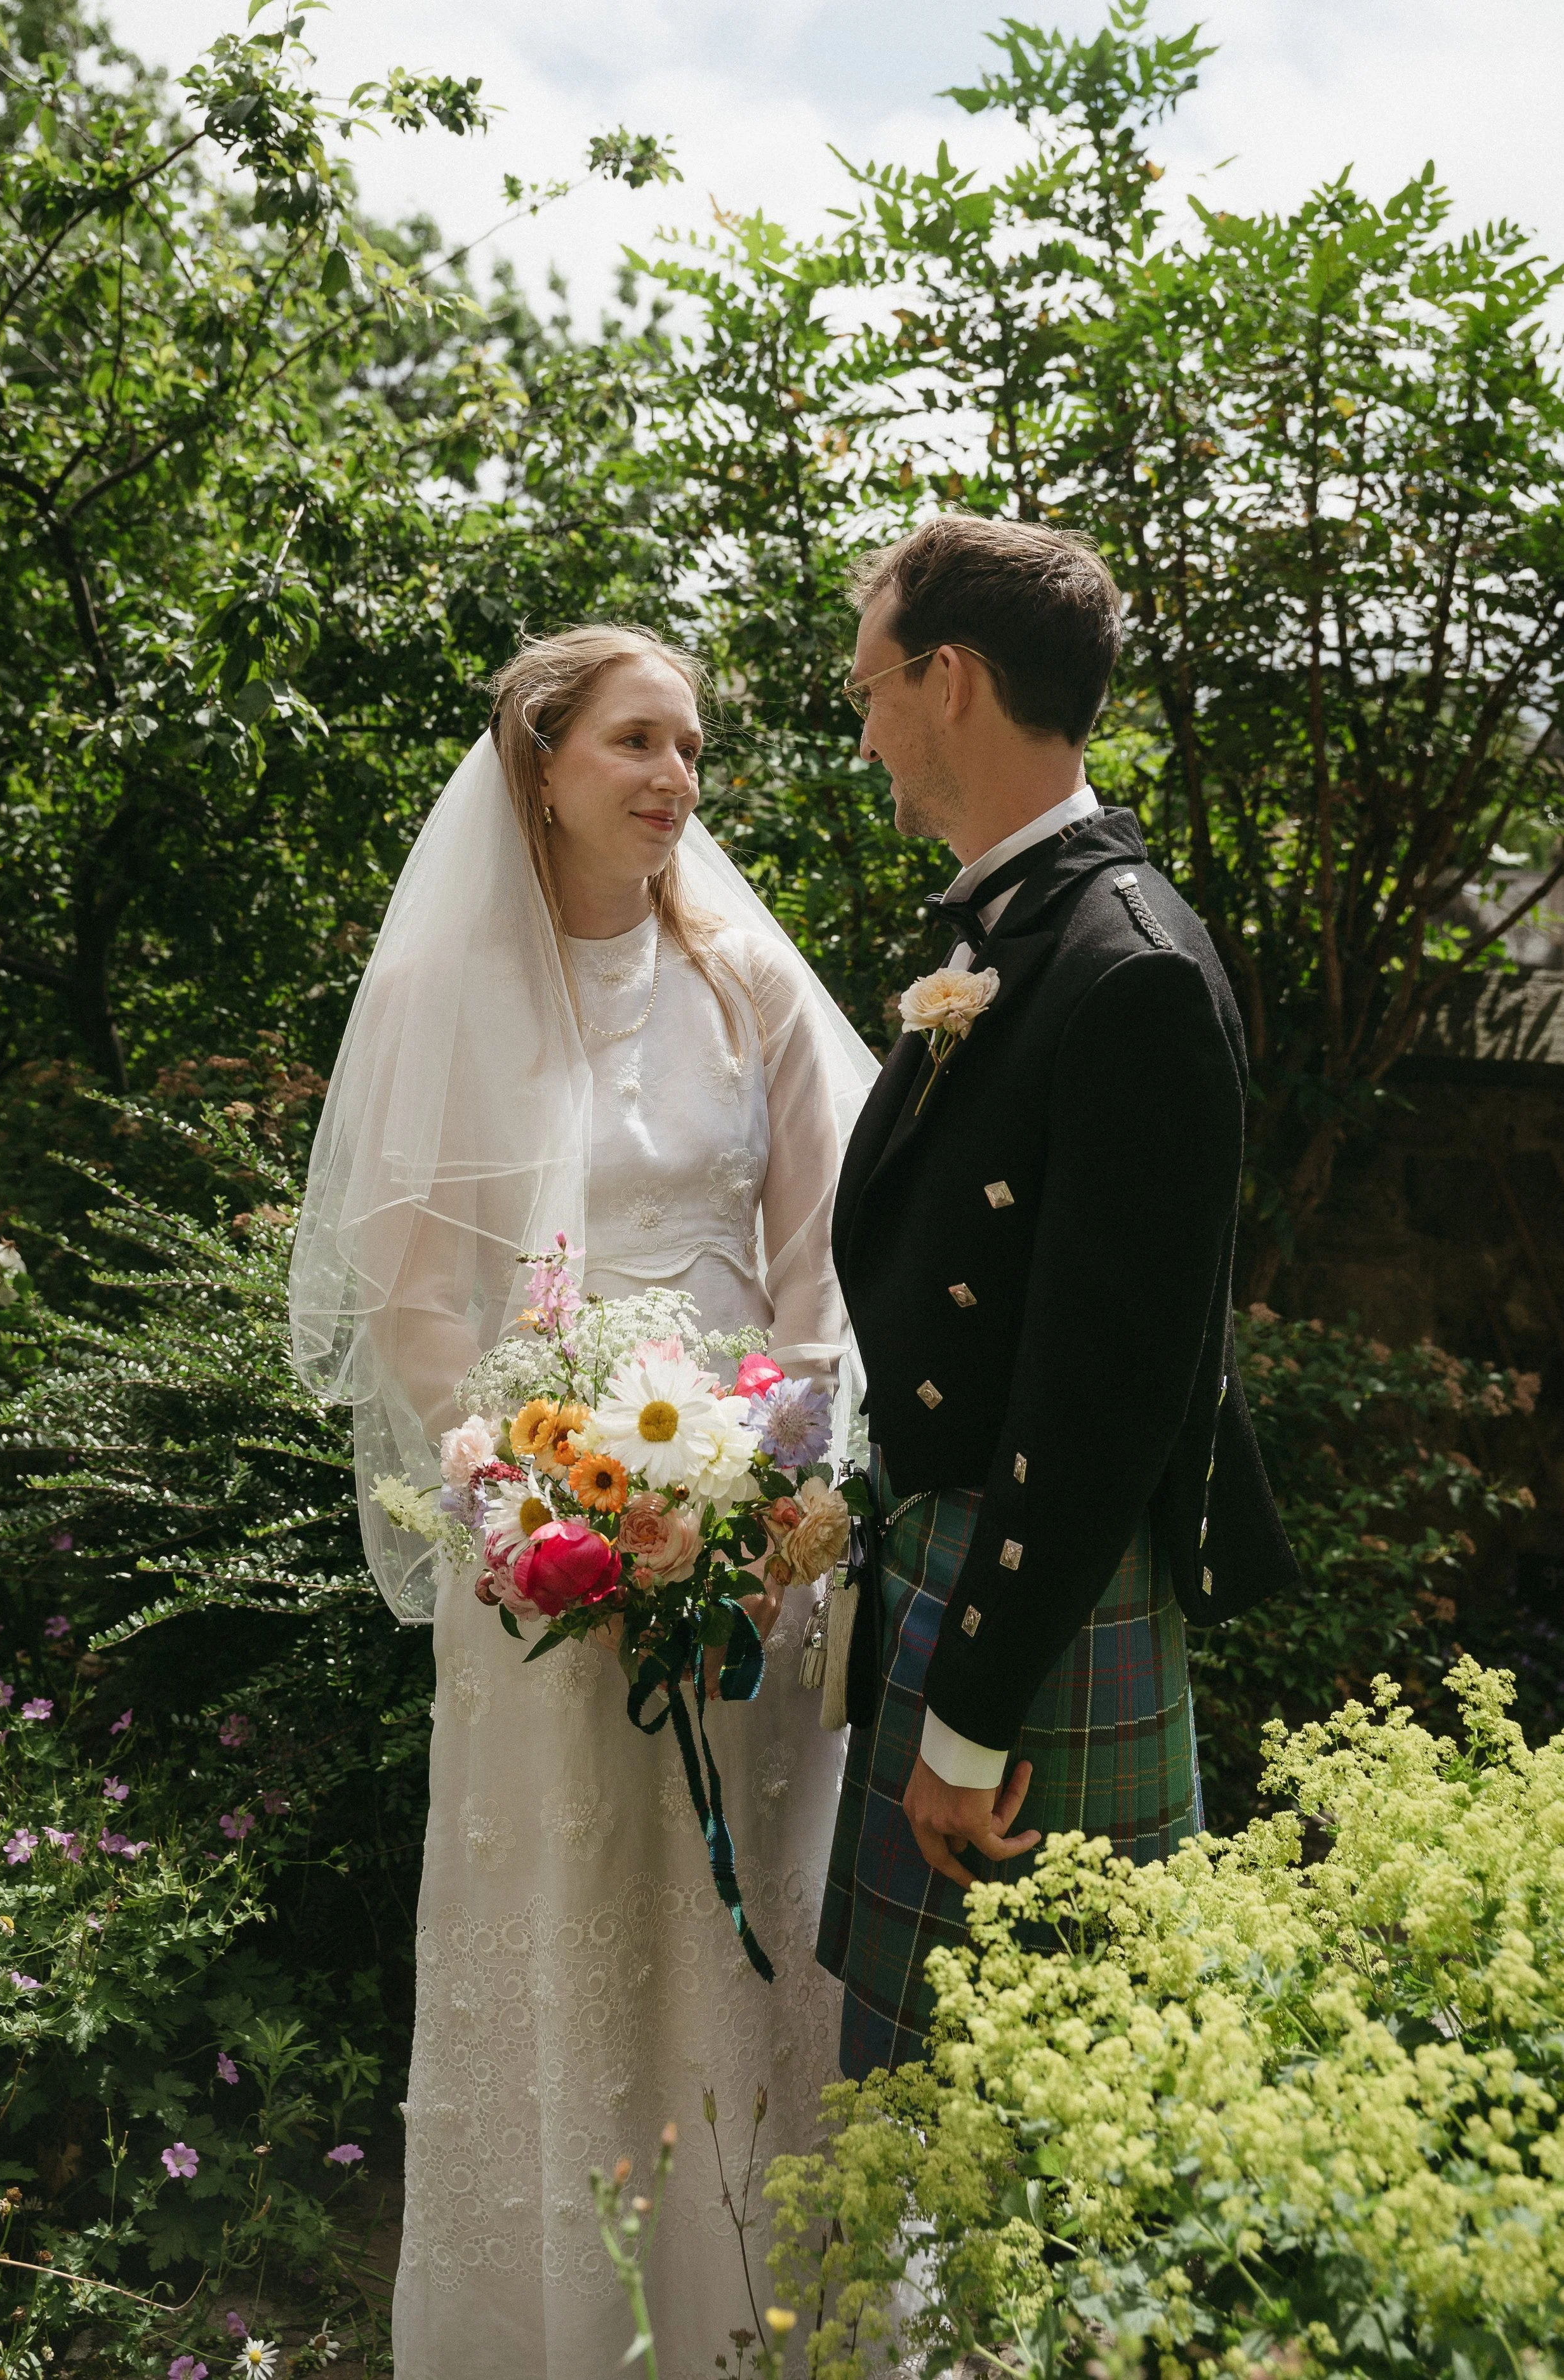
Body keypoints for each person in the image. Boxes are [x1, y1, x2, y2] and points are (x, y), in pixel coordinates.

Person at [288, 625, 878, 2377]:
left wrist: (772, 1485)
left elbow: (818, 1259)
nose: (673, 777)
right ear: (538, 761)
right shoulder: (440, 991)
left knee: (749, 1918)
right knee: (564, 1913)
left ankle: (764, 2322)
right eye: (634, 741)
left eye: (688, 746)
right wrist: (506, 1491)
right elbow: (412, 1297)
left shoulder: (744, 981)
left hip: (751, 1539)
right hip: (539, 1543)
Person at [816, 515, 1298, 2079]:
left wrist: (969, 1714)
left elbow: (1109, 1392)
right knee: (920, 2119)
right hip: (959, 1563)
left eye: (871, 688)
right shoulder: (1024, 926)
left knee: (1023, 2124)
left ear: (948, 680)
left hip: (1033, 1599)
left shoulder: (1125, 965)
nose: (864, 731)